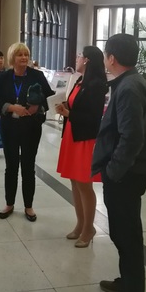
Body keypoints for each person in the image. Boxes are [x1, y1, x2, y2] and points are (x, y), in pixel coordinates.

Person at [91, 34, 146, 292]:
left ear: (111, 58)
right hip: (128, 172)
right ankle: (129, 281)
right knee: (124, 231)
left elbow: (132, 137)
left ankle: (132, 286)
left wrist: (113, 171)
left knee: (126, 232)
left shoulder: (129, 88)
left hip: (125, 174)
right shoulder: (132, 82)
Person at [0, 43, 54, 221]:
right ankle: (9, 203)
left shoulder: (37, 76)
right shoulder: (4, 77)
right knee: (11, 166)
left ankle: (29, 206)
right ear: (12, 57)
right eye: (20, 55)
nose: (24, 58)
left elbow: (48, 96)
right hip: (9, 127)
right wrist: (12, 107)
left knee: (28, 166)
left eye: (26, 54)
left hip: (31, 127)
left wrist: (38, 106)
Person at [55, 46, 107, 248]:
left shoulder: (96, 85)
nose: (76, 58)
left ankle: (88, 229)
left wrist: (69, 114)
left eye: (79, 56)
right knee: (74, 182)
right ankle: (80, 224)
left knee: (84, 184)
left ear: (86, 60)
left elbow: (94, 118)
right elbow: (77, 106)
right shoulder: (79, 81)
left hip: (85, 139)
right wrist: (65, 108)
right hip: (72, 134)